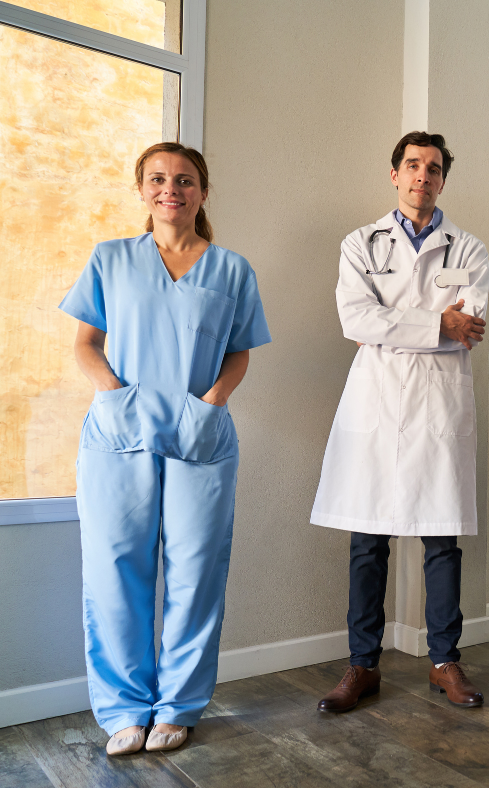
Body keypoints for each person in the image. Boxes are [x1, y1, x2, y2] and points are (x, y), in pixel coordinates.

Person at [59, 143, 271, 755]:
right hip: (117, 437)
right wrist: (114, 396)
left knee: (196, 573)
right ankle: (124, 711)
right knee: (112, 569)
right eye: (157, 179)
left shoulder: (231, 270)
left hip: (198, 438)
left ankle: (177, 705)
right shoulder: (110, 259)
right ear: (141, 189)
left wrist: (208, 405)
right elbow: (85, 344)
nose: (170, 189)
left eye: (184, 180)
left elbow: (239, 352)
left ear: (202, 192)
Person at [310, 132, 489, 711]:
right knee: (368, 542)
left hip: (438, 408)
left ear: (442, 180)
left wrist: (402, 323)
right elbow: (356, 319)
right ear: (395, 174)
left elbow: (473, 324)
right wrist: (437, 325)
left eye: (433, 169)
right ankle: (362, 666)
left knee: (441, 543)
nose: (422, 176)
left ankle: (445, 662)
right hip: (377, 406)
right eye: (413, 165)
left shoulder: (469, 251)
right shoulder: (361, 243)